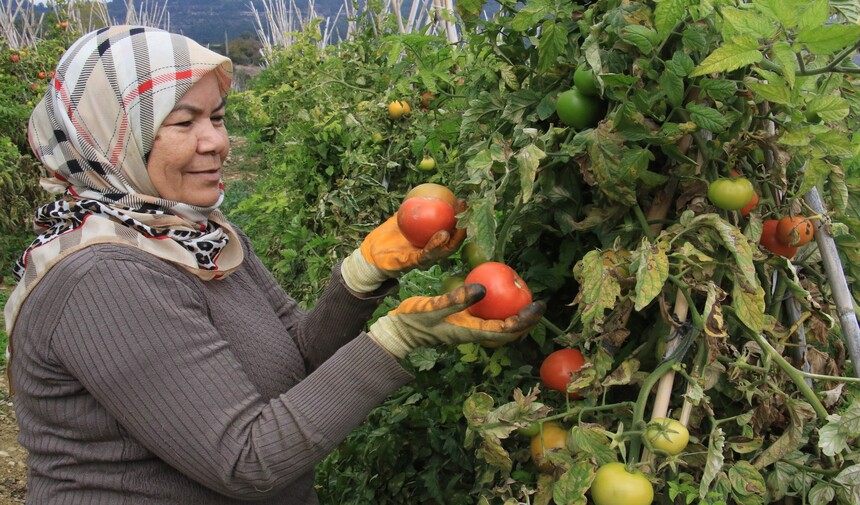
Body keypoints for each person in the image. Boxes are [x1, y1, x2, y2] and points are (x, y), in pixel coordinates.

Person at [4, 25, 545, 504]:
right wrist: (397, 339)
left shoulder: (199, 237)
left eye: (216, 117)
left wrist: (363, 274)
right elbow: (246, 460)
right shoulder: (102, 278)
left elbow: (296, 361)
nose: (216, 142)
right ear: (112, 138)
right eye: (183, 122)